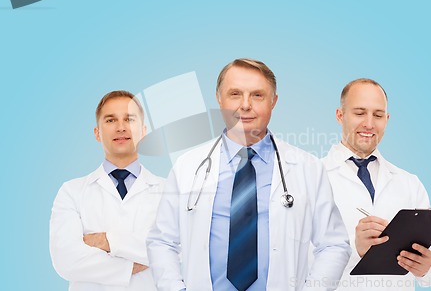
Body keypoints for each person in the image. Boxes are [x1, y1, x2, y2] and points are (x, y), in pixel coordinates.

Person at [147, 58, 351, 291]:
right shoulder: (188, 166)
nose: (245, 105)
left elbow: (334, 245)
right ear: (219, 99)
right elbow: (162, 241)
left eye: (257, 95)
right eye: (235, 94)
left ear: (273, 101)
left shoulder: (307, 167)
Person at [322, 78, 431, 290]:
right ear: (340, 115)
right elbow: (290, 256)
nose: (369, 123)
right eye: (359, 113)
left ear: (387, 119)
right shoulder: (312, 178)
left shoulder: (408, 182)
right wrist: (355, 249)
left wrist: (430, 264)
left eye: (378, 115)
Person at [50, 90, 165, 291]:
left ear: (144, 131)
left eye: (129, 119)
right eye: (111, 120)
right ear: (97, 133)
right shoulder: (71, 192)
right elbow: (65, 260)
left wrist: (105, 240)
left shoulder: (167, 191)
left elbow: (172, 249)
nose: (121, 127)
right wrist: (133, 265)